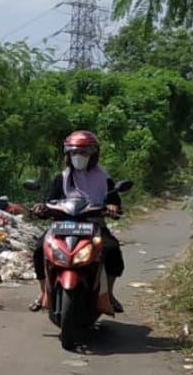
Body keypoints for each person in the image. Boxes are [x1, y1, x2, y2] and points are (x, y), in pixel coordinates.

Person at [28, 130, 125, 313]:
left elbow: (115, 202)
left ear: (93, 155)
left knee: (112, 249)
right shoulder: (62, 178)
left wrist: (112, 207)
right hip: (63, 225)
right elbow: (49, 200)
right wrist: (41, 208)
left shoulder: (104, 178)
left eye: (83, 153)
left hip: (93, 224)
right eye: (74, 152)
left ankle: (109, 294)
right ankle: (43, 293)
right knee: (40, 249)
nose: (78, 156)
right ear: (67, 154)